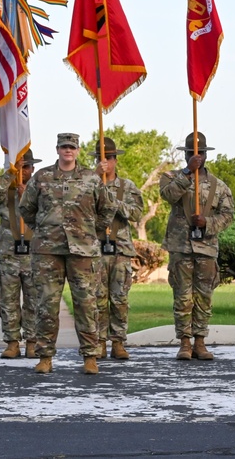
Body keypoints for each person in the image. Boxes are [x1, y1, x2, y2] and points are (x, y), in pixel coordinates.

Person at [18, 132, 116, 374]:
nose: (68, 151)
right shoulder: (42, 177)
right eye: (64, 147)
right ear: (57, 149)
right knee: (46, 305)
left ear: (78, 150)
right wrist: (42, 230)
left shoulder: (91, 179)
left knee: (86, 304)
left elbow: (107, 209)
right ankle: (45, 357)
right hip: (48, 251)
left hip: (82, 252)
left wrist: (91, 232)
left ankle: (90, 357)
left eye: (72, 147)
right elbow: (26, 208)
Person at [159, 132, 235, 361]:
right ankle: (184, 342)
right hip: (181, 247)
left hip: (206, 247)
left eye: (200, 153)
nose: (197, 157)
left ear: (206, 154)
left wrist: (208, 223)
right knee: (182, 296)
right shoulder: (171, 177)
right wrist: (186, 174)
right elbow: (169, 195)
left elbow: (228, 214)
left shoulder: (218, 186)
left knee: (203, 296)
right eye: (192, 153)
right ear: (186, 155)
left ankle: (200, 342)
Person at [93, 137, 144, 360]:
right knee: (97, 299)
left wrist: (114, 203)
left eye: (110, 158)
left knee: (120, 299)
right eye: (102, 158)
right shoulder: (89, 183)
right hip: (95, 249)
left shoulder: (127, 187)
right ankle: (99, 342)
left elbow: (136, 213)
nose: (106, 162)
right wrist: (95, 179)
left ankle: (118, 342)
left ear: (116, 160)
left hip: (120, 249)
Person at [0, 149, 41, 359]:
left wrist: (27, 195)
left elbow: (48, 211)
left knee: (33, 298)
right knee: (8, 298)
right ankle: (12, 342)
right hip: (8, 248)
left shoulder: (39, 188)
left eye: (27, 167)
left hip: (32, 249)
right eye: (21, 166)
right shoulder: (5, 187)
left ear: (33, 169)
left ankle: (32, 341)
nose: (24, 171)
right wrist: (12, 173)